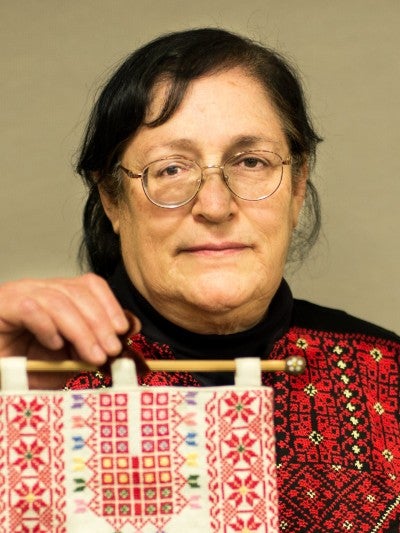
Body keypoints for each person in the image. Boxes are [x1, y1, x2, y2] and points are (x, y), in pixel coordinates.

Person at [0, 28, 398, 532]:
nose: (214, 206)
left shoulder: (389, 374)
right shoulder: (26, 372)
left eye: (251, 162)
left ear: (297, 187)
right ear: (112, 199)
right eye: (170, 169)